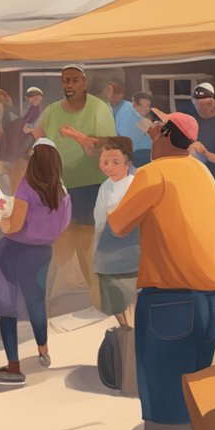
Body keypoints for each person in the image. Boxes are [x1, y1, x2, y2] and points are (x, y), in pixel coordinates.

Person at [107, 112, 215, 430]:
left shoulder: (154, 174)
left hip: (168, 301)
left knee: (166, 405)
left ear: (167, 135)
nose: (149, 136)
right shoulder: (203, 174)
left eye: (154, 131)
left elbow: (118, 224)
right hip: (209, 302)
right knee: (192, 401)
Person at [0, 140, 71, 385]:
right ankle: (43, 350)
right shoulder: (62, 191)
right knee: (36, 302)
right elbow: (62, 226)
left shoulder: (27, 186)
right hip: (42, 252)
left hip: (13, 251)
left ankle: (13, 368)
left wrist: (3, 222)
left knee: (6, 307)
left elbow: (15, 225)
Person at [33, 64, 116, 311]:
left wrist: (77, 136)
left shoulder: (98, 109)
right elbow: (38, 136)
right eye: (65, 81)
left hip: (90, 188)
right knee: (51, 248)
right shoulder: (51, 111)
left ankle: (100, 304)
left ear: (84, 82)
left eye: (74, 81)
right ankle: (41, 303)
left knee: (88, 251)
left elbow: (105, 149)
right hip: (57, 188)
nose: (69, 86)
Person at [92, 138, 139, 333]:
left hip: (132, 250)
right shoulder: (105, 187)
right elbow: (99, 220)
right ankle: (124, 331)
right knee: (113, 300)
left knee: (131, 299)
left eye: (115, 162)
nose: (109, 167)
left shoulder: (135, 184)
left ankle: (132, 332)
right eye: (105, 162)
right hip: (108, 250)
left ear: (128, 164)